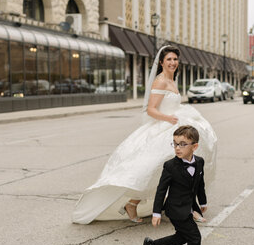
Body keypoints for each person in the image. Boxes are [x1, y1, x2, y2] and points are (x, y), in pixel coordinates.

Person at [72, 45, 217, 224]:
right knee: (151, 170)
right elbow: (151, 110)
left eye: (175, 59)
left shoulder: (172, 80)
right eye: (169, 59)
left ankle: (186, 207)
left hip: (176, 126)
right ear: (162, 62)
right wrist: (168, 118)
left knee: (176, 169)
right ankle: (133, 204)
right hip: (165, 127)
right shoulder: (161, 81)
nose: (173, 62)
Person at [140, 125, 212, 245]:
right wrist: (156, 212)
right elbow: (161, 190)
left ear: (195, 146)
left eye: (182, 144)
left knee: (182, 237)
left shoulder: (199, 162)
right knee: (194, 237)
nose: (177, 148)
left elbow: (200, 184)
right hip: (175, 209)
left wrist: (203, 201)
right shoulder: (170, 166)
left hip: (189, 207)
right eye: (175, 143)